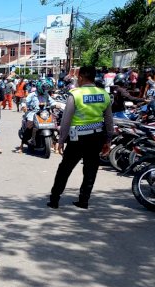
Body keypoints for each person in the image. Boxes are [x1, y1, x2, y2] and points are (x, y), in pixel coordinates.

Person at [48, 66, 114, 209]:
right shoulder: (104, 94)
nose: (77, 79)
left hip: (77, 138)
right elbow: (109, 120)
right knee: (91, 170)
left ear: (82, 77)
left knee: (64, 169)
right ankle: (84, 200)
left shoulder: (75, 94)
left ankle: (54, 200)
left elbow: (66, 119)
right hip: (96, 138)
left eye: (78, 77)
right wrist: (108, 140)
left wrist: (60, 140)